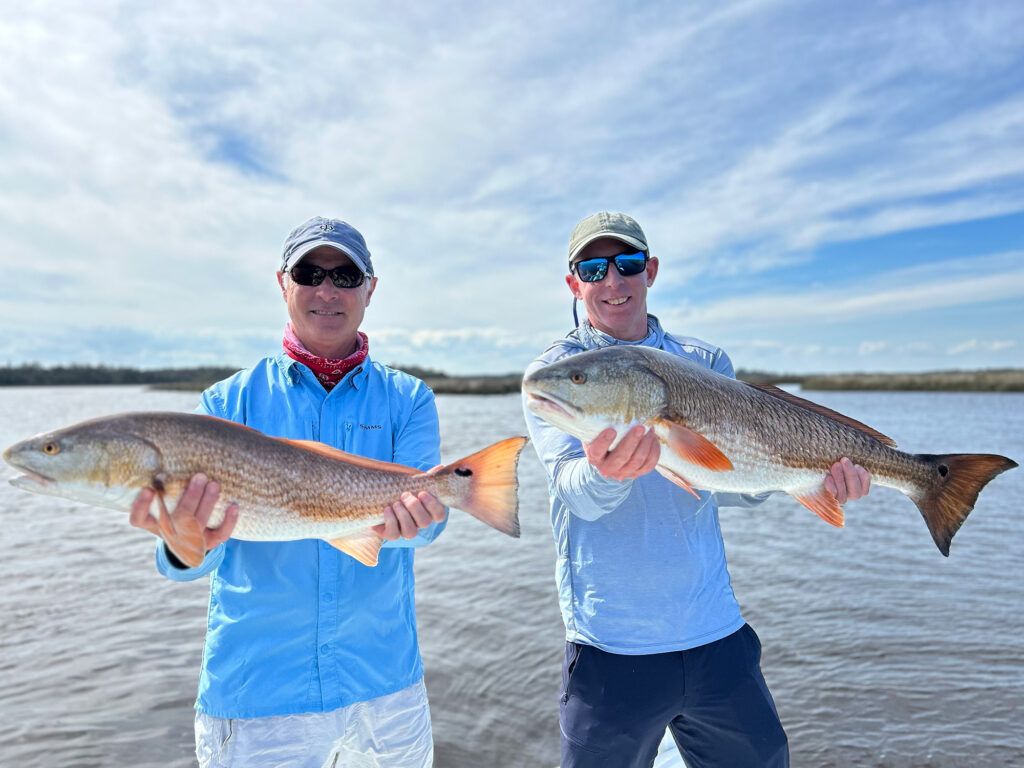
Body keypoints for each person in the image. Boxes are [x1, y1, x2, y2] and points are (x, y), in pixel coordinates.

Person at [522, 211, 872, 768]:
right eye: (593, 267)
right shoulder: (558, 375)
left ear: (651, 270)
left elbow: (732, 486)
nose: (612, 281)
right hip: (612, 643)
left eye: (627, 262)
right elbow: (575, 493)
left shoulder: (705, 362)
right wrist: (607, 473)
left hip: (714, 632)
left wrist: (815, 480)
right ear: (574, 283)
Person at [128, 216, 448, 768]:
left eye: (346, 276)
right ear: (283, 283)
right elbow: (192, 558)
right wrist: (184, 544)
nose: (327, 290)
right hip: (257, 693)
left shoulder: (409, 398)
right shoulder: (226, 404)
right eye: (309, 272)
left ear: (371, 289)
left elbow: (432, 523)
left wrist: (420, 521)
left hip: (385, 684)